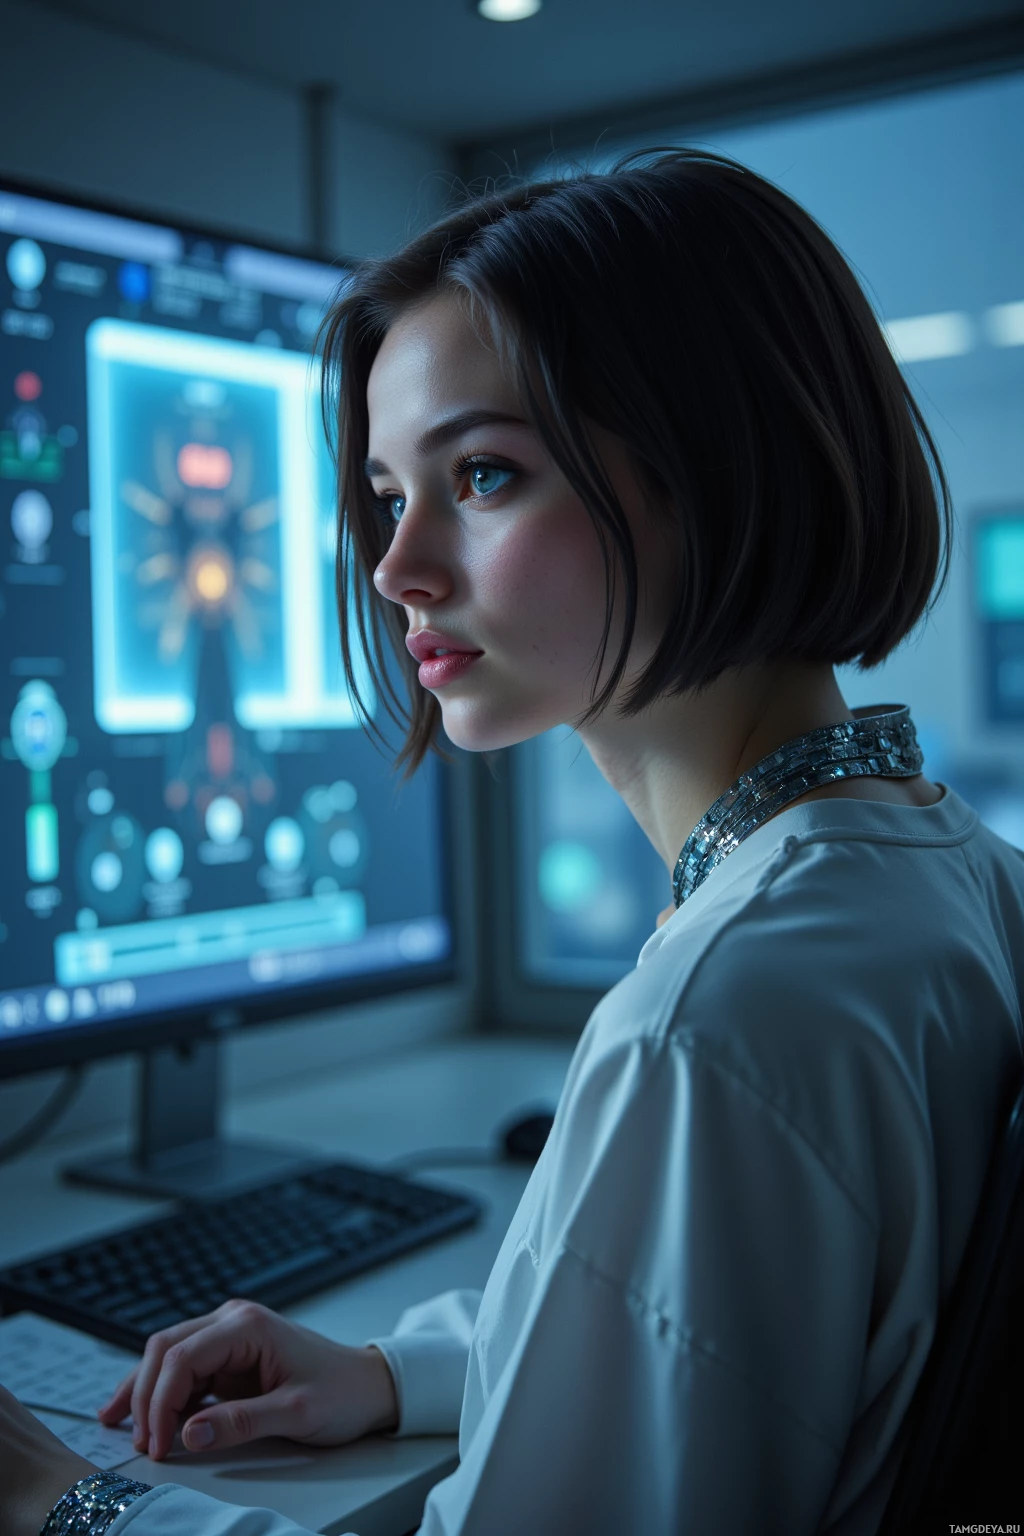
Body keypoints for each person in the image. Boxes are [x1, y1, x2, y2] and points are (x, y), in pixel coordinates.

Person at [4, 148, 1024, 1536]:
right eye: (384, 490)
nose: (395, 566)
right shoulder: (950, 884)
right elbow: (753, 1345)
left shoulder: (719, 1021)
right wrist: (390, 1370)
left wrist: (68, 1508)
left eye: (481, 474)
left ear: (715, 467)